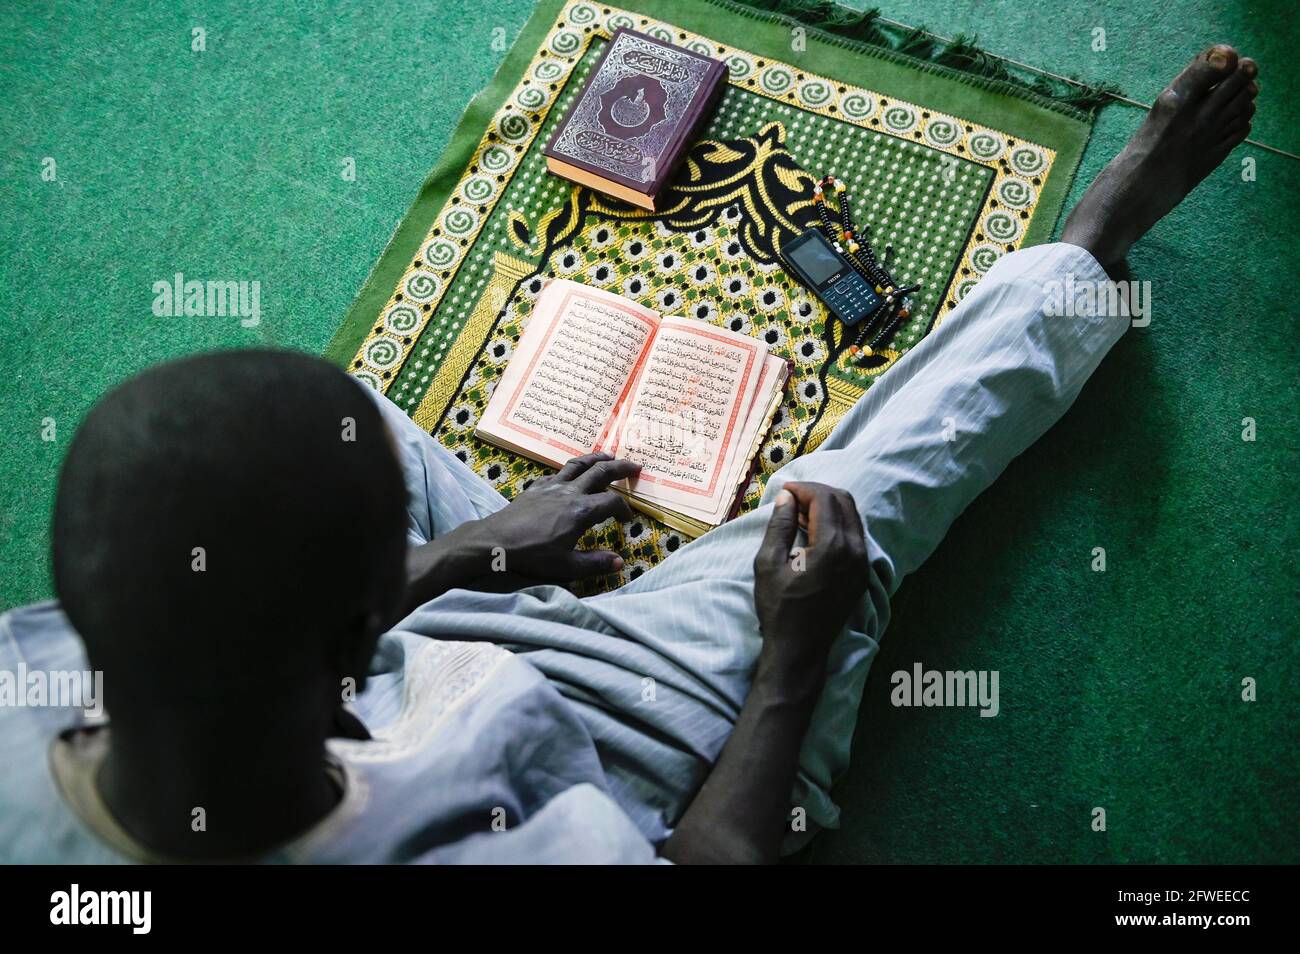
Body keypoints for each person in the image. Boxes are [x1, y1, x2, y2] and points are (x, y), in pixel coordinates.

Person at [0, 46, 1258, 863]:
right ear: (353, 632)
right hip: (622, 731)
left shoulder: (23, 698)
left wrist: (462, 553)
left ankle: (472, 565)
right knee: (847, 507)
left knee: (317, 417)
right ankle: (1083, 262)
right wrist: (793, 655)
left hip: (376, 669)